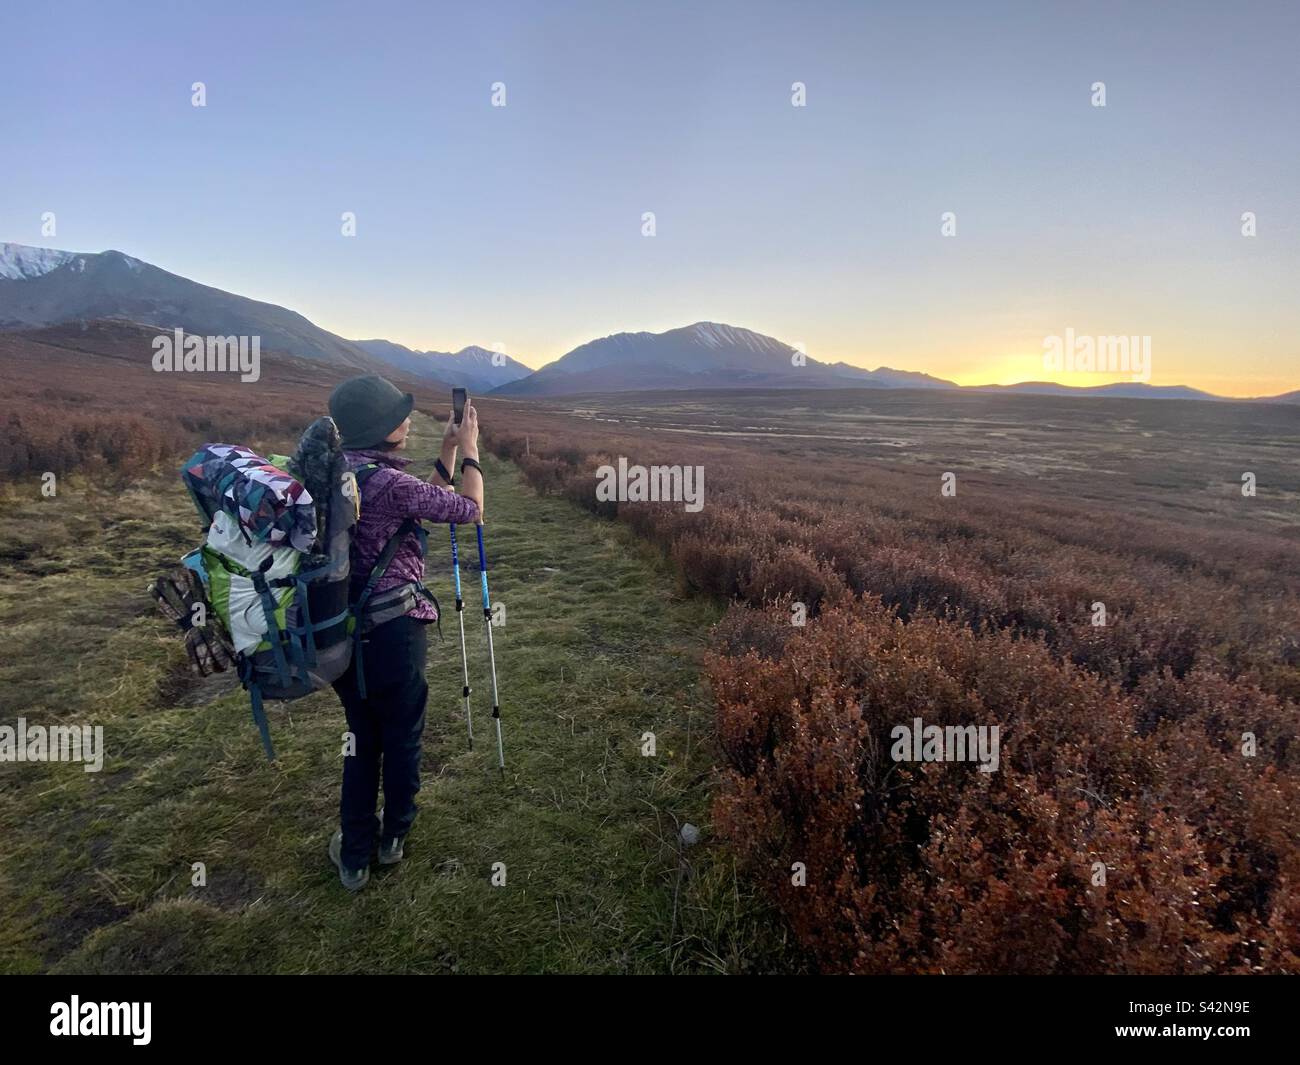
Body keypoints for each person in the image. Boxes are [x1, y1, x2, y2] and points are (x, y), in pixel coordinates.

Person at [324, 373, 484, 890]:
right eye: (400, 415)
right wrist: (472, 450)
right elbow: (468, 510)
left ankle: (353, 855)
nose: (407, 418)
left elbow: (422, 500)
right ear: (383, 429)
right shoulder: (388, 483)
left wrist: (445, 448)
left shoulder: (335, 474)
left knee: (360, 739)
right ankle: (394, 836)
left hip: (343, 637)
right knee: (402, 736)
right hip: (396, 634)